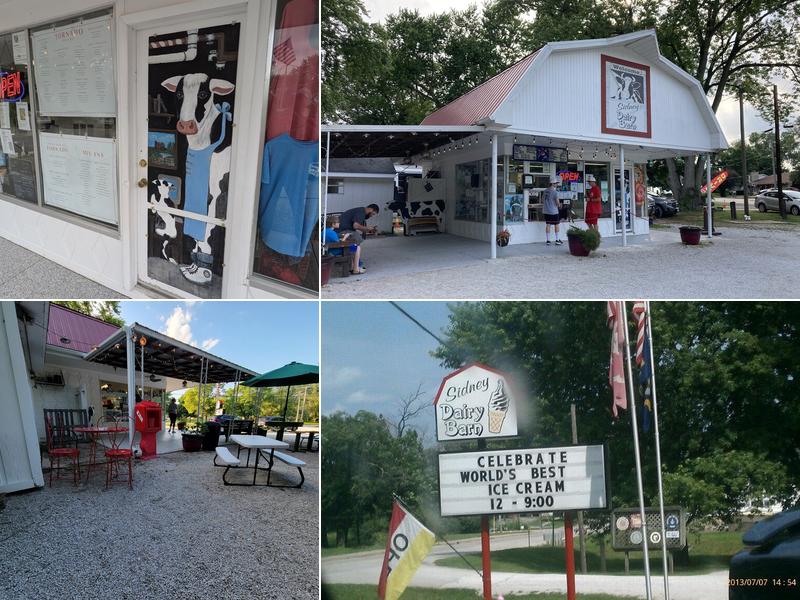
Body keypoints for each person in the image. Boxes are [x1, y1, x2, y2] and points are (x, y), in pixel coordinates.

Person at [543, 176, 563, 245]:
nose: (557, 184)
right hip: (553, 211)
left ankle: (548, 240)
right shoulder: (555, 192)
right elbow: (557, 203)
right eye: (556, 183)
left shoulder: (545, 191)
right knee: (556, 225)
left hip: (546, 211)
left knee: (548, 224)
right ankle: (557, 240)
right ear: (553, 184)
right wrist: (560, 205)